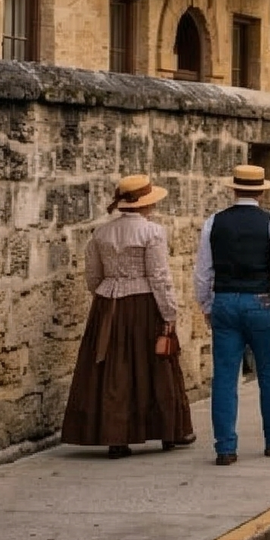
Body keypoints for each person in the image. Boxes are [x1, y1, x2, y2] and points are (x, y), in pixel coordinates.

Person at [62, 175, 195, 457]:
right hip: (144, 304)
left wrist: (106, 294)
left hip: (107, 305)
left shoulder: (101, 233)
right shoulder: (152, 232)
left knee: (114, 368)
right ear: (146, 204)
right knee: (156, 365)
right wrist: (169, 312)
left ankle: (116, 438)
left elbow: (93, 276)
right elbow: (159, 276)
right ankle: (168, 431)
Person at [193, 165, 270, 465]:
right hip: (260, 302)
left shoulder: (214, 222)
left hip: (225, 301)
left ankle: (225, 447)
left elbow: (203, 271)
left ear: (234, 189)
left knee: (225, 376)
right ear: (261, 192)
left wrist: (206, 304)